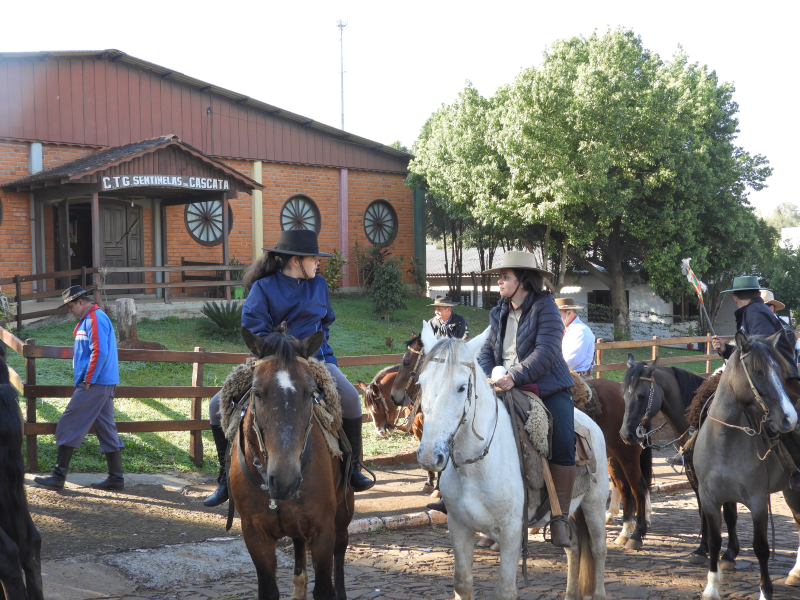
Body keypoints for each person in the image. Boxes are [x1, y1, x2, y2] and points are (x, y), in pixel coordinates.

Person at [203, 229, 375, 507]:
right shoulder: (264, 288)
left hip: (316, 359)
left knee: (352, 400)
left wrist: (318, 350)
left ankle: (353, 469)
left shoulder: (319, 285)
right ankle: (224, 479)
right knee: (214, 406)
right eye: (313, 258)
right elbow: (253, 329)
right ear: (296, 260)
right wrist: (280, 347)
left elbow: (325, 323)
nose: (318, 263)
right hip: (271, 360)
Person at [478, 251, 576, 547]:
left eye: (504, 276)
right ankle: (460, 498)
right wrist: (489, 375)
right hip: (503, 385)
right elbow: (486, 351)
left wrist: (514, 376)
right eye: (500, 276)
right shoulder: (499, 311)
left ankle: (559, 517)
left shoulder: (545, 307)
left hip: (546, 387)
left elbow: (546, 351)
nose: (499, 281)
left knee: (563, 440)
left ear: (523, 280)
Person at [34, 286, 124, 491]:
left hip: (95, 383)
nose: (69, 310)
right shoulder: (88, 319)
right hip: (101, 382)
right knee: (106, 427)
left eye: (70, 306)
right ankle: (116, 478)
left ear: (81, 302)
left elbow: (99, 351)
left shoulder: (95, 318)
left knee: (69, 421)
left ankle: (58, 476)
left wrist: (88, 380)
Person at [556, 298, 595, 379]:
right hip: (566, 375)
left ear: (569, 313)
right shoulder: (565, 329)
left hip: (579, 378)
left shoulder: (580, 331)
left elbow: (570, 362)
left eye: (557, 314)